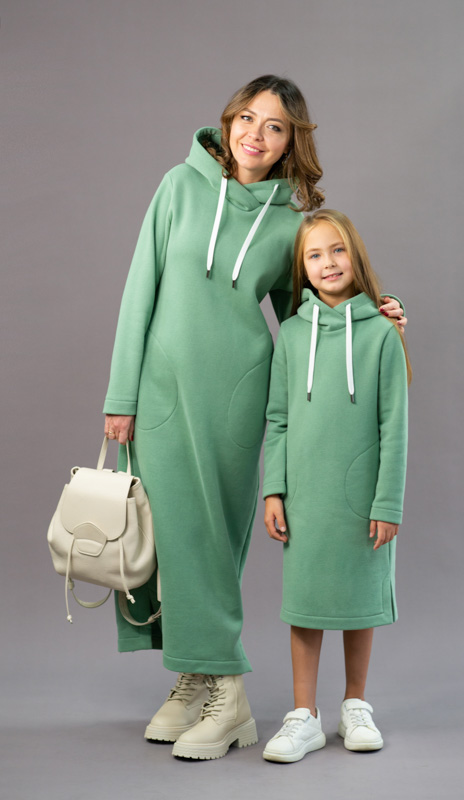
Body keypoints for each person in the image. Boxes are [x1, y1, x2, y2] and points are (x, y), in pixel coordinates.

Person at [103, 76, 407, 761]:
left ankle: (228, 693)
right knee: (166, 539)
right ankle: (196, 676)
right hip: (159, 395)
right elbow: (139, 289)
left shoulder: (291, 225)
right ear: (228, 121)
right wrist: (121, 395)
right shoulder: (178, 188)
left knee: (210, 542)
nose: (255, 135)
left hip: (237, 403)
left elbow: (313, 312)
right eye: (247, 118)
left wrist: (377, 314)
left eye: (274, 126)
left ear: (291, 142)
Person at [262, 209, 410, 763]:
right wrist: (273, 489)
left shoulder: (383, 334)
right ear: (301, 268)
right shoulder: (291, 334)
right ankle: (303, 715)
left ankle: (355, 705)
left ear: (356, 256)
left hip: (362, 496)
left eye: (338, 250)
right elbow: (278, 418)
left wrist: (387, 501)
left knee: (358, 600)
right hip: (304, 495)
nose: (328, 263)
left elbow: (394, 426)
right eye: (315, 254)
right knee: (305, 603)